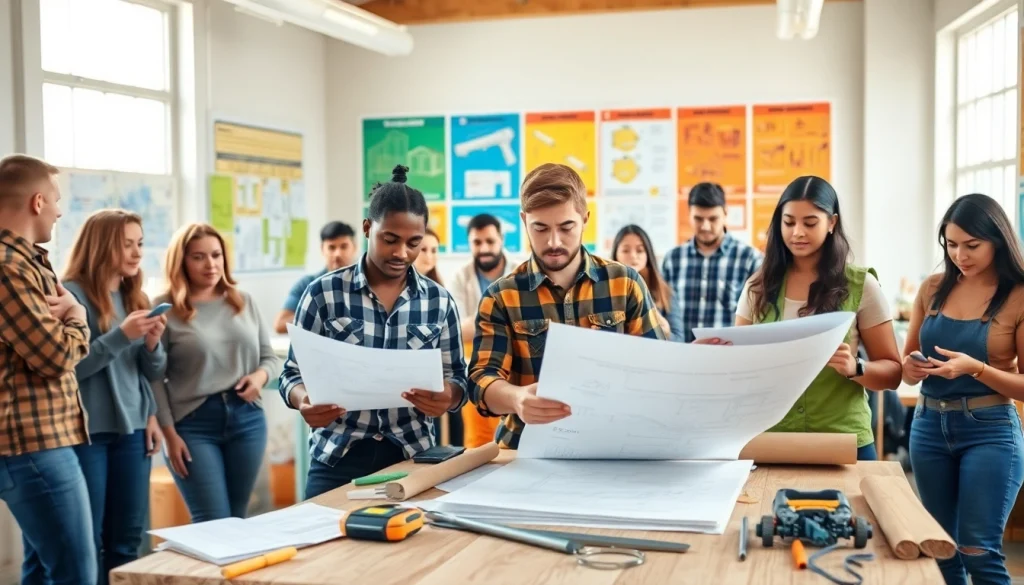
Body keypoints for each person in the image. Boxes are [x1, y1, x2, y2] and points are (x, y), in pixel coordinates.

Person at [280, 165, 468, 499]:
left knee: (412, 547)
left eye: (414, 243)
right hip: (337, 456)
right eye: (390, 239)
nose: (401, 253)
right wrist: (303, 400)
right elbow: (291, 375)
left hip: (413, 457)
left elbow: (457, 377)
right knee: (323, 546)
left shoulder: (439, 302)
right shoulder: (322, 294)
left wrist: (447, 397)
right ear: (368, 228)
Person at [468, 163, 670, 449]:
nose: (553, 242)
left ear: (585, 219)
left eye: (566, 227)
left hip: (616, 444)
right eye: (540, 228)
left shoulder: (624, 283)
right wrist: (518, 398)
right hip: (525, 448)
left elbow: (659, 370)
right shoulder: (501, 296)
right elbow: (480, 380)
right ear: (524, 220)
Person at [724, 176, 902, 460]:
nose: (797, 232)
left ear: (831, 223)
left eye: (809, 223)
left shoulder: (862, 286)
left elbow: (893, 373)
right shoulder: (757, 287)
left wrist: (856, 368)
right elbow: (735, 366)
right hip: (771, 439)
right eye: (789, 222)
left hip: (843, 440)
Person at [902, 193, 1024, 585]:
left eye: (972, 245)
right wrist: (911, 368)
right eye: (951, 244)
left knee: (978, 551)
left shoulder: (1019, 295)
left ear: (998, 241)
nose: (960, 255)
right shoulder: (932, 288)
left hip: (989, 431)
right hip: (927, 426)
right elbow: (906, 367)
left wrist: (976, 369)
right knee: (941, 551)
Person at [0, 154, 96, 584]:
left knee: (42, 570)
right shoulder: (7, 267)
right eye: (56, 200)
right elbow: (54, 356)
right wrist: (78, 316)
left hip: (42, 441)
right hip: (32, 446)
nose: (60, 210)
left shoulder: (28, 261)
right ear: (37, 202)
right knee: (76, 574)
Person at [62, 209, 167, 585]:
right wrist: (122, 335)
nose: (137, 252)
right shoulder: (68, 294)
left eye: (139, 243)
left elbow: (150, 372)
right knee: (85, 541)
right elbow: (68, 369)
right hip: (87, 433)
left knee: (126, 541)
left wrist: (152, 344)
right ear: (102, 244)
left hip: (134, 431)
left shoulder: (134, 294)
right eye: (127, 244)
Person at [152, 223, 279, 522]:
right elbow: (154, 378)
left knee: (238, 518)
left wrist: (259, 378)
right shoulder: (163, 308)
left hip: (247, 418)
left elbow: (269, 358)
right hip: (193, 425)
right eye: (198, 257)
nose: (210, 264)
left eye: (216, 255)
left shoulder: (242, 301)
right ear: (181, 261)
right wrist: (169, 435)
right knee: (212, 521)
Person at [662, 182, 762, 342]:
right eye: (698, 219)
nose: (705, 226)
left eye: (713, 218)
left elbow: (759, 318)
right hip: (683, 358)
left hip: (730, 358)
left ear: (725, 213)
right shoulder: (672, 261)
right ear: (689, 215)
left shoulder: (750, 259)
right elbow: (663, 314)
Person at [450, 213, 513, 448]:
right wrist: (503, 320)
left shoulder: (522, 271)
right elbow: (457, 330)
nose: (484, 248)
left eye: (490, 241)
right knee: (477, 442)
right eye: (477, 243)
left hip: (516, 367)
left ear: (502, 239)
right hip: (474, 366)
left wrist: (477, 323)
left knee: (515, 437)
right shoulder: (460, 277)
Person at [275, 221, 358, 333]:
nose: (337, 254)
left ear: (354, 248)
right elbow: (280, 324)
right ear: (322, 249)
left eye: (344, 247)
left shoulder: (368, 284)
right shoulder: (306, 284)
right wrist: (316, 313)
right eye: (331, 247)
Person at [612, 224, 672, 338]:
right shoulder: (604, 290)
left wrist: (666, 332)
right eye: (625, 251)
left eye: (640, 250)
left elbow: (679, 338)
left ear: (648, 255)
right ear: (616, 254)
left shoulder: (665, 292)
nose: (633, 256)